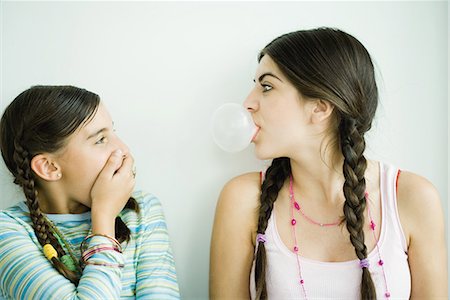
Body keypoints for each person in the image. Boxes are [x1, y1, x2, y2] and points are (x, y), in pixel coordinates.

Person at [210, 28, 447, 299]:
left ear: (321, 107)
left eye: (266, 86)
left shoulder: (412, 198)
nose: (247, 103)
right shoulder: (242, 200)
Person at [0, 85, 180, 299]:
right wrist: (103, 217)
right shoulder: (9, 232)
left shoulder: (143, 211)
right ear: (49, 167)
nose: (123, 149)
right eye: (100, 139)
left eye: (113, 132)